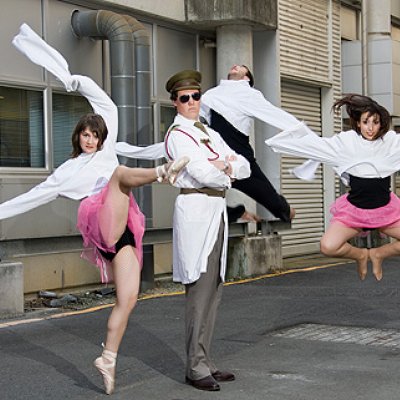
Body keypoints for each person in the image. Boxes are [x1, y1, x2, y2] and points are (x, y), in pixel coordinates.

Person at [8, 24, 189, 395]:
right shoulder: (67, 172)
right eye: (85, 135)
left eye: (95, 135)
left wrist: (77, 81)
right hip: (100, 220)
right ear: (77, 137)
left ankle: (107, 357)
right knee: (120, 176)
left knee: (128, 299)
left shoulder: (106, 150)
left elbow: (106, 105)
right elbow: (30, 198)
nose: (90, 139)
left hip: (123, 232)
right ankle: (162, 172)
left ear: (102, 138)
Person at [164, 70, 250, 391]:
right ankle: (194, 367)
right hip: (197, 209)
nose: (191, 103)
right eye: (184, 98)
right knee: (199, 291)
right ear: (175, 102)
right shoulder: (177, 134)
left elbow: (243, 163)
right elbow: (201, 173)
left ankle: (205, 358)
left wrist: (225, 167)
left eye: (196, 96)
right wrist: (224, 170)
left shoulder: (208, 132)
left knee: (214, 289)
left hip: (216, 211)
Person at [265, 93, 400, 282]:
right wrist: (284, 141)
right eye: (366, 122)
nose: (370, 128)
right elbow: (317, 146)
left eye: (375, 122)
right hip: (355, 211)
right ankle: (360, 255)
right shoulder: (347, 143)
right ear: (358, 124)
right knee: (328, 246)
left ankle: (378, 254)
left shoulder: (391, 144)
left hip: (386, 210)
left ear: (381, 124)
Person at [200, 64, 300, 222]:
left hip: (239, 152)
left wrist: (297, 128)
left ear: (246, 78)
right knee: (198, 195)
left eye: (241, 67)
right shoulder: (212, 94)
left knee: (267, 195)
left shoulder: (249, 94)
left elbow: (272, 113)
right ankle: (237, 213)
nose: (235, 66)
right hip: (217, 153)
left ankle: (285, 210)